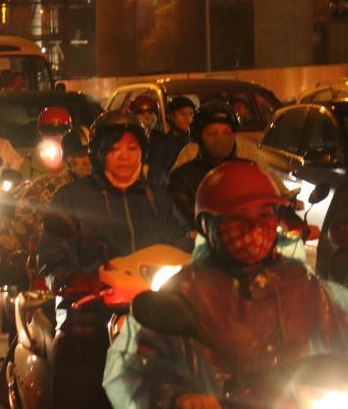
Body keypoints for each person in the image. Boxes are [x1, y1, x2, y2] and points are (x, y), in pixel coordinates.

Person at [104, 160, 348, 409]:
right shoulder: (186, 290)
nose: (254, 228)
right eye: (238, 218)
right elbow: (141, 367)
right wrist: (180, 395)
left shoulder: (297, 281)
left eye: (264, 215)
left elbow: (339, 330)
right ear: (207, 226)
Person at [36, 111, 192, 409]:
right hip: (89, 314)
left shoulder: (158, 197)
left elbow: (183, 241)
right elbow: (51, 255)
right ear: (99, 153)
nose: (125, 156)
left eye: (132, 148)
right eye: (115, 149)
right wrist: (77, 279)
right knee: (76, 378)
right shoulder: (72, 197)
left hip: (152, 310)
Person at [0, 126, 92, 339]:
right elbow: (17, 225)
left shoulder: (115, 193)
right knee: (32, 333)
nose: (87, 161)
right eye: (80, 156)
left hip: (102, 279)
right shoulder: (45, 188)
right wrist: (9, 239)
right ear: (69, 158)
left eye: (90, 154)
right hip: (50, 276)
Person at [168, 99, 288, 230]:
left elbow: (268, 194)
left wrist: (288, 209)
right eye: (212, 133)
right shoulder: (182, 179)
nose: (220, 139)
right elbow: (184, 221)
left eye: (227, 132)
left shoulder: (248, 170)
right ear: (198, 137)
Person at [146, 96, 195, 187]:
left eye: (191, 114)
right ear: (170, 116)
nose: (188, 119)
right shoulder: (160, 144)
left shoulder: (192, 145)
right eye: (183, 114)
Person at [19, 106, 72, 181]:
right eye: (48, 131)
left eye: (61, 130)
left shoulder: (75, 161)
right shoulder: (30, 162)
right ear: (41, 133)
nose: (55, 136)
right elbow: (22, 185)